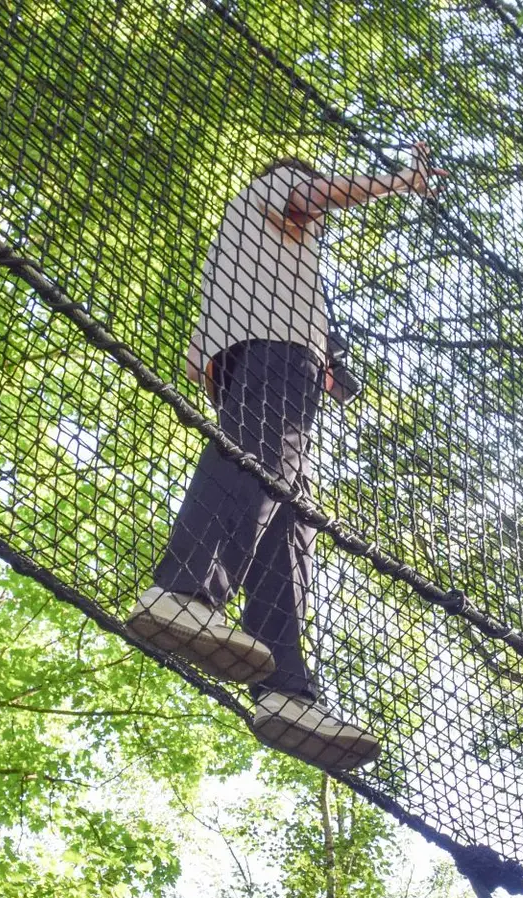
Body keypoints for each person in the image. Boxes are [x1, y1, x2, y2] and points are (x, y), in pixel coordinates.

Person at [128, 145, 444, 771]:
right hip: (275, 363)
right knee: (257, 465)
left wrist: (323, 367)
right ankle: (183, 590)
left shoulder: (260, 264)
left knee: (289, 522)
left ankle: (284, 690)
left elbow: (199, 365)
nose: (318, 218)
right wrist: (399, 181)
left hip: (262, 370)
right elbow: (308, 197)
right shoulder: (267, 199)